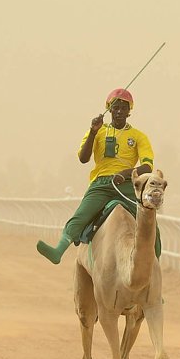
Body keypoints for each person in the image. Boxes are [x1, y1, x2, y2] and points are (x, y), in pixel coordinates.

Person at [36, 88, 157, 264]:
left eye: (124, 108)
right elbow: (83, 158)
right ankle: (59, 251)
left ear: (129, 112)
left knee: (149, 221)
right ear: (109, 109)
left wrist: (125, 174)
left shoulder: (139, 136)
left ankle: (155, 260)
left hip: (126, 185)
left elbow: (147, 166)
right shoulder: (98, 131)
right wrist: (93, 132)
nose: (119, 111)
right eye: (115, 107)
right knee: (81, 214)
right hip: (101, 184)